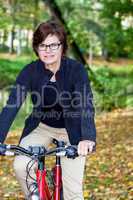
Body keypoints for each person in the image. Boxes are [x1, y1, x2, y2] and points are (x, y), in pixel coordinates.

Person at [0, 19, 96, 200]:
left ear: (62, 47)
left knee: (73, 193)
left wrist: (88, 138)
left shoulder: (76, 70)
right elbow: (12, 105)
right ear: (36, 48)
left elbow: (86, 104)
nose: (48, 50)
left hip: (72, 131)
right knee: (21, 166)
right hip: (41, 126)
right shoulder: (29, 71)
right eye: (43, 45)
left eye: (53, 45)